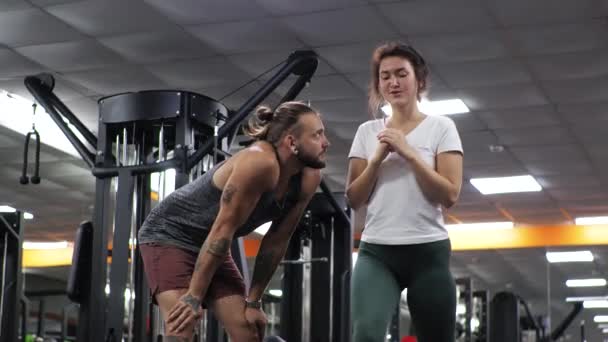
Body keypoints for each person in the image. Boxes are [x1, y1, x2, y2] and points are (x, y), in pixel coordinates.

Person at [137, 101, 330, 341]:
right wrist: (193, 297)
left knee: (248, 330)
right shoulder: (260, 163)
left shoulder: (308, 177)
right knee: (182, 328)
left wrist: (254, 301)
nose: (326, 142)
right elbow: (222, 230)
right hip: (170, 234)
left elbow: (277, 240)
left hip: (213, 243)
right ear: (292, 142)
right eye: (318, 135)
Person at [346, 42, 464, 342]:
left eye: (401, 74)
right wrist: (376, 160)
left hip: (429, 251)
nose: (393, 82)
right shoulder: (367, 132)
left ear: (419, 80)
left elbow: (449, 195)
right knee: (367, 334)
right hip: (378, 252)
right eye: (385, 76)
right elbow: (354, 199)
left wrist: (409, 153)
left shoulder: (442, 127)